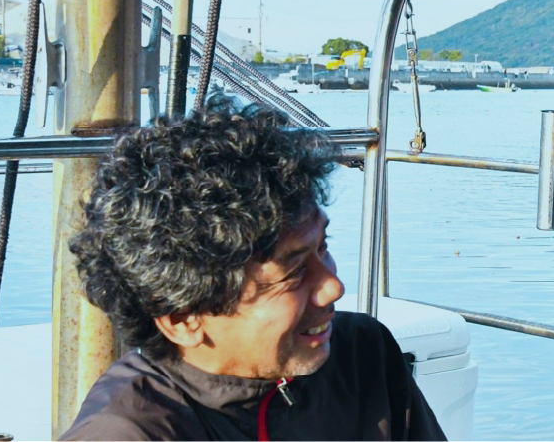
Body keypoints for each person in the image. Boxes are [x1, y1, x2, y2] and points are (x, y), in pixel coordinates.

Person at [60, 96, 446, 441]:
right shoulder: (128, 433)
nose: (333, 286)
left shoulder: (362, 356)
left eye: (323, 247)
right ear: (183, 319)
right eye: (293, 271)